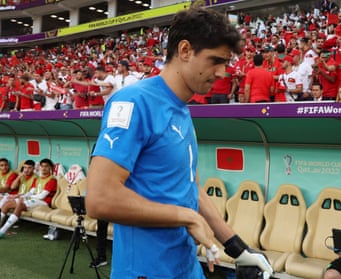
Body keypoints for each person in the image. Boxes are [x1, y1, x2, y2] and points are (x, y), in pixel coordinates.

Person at [85, 8, 273, 279]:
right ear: (185, 50)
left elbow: (191, 188)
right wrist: (187, 217)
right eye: (215, 61)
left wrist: (237, 247)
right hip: (145, 272)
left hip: (186, 266)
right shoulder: (133, 102)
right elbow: (100, 200)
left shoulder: (183, 109)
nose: (222, 73)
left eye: (226, 63)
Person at [0, 158, 57, 238]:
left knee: (20, 205)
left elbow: (42, 196)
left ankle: (2, 231)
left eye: (46, 166)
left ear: (50, 168)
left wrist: (24, 198)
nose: (43, 168)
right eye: (42, 166)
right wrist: (20, 196)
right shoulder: (38, 179)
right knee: (7, 204)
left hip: (43, 202)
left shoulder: (52, 180)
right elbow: (31, 192)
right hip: (33, 199)